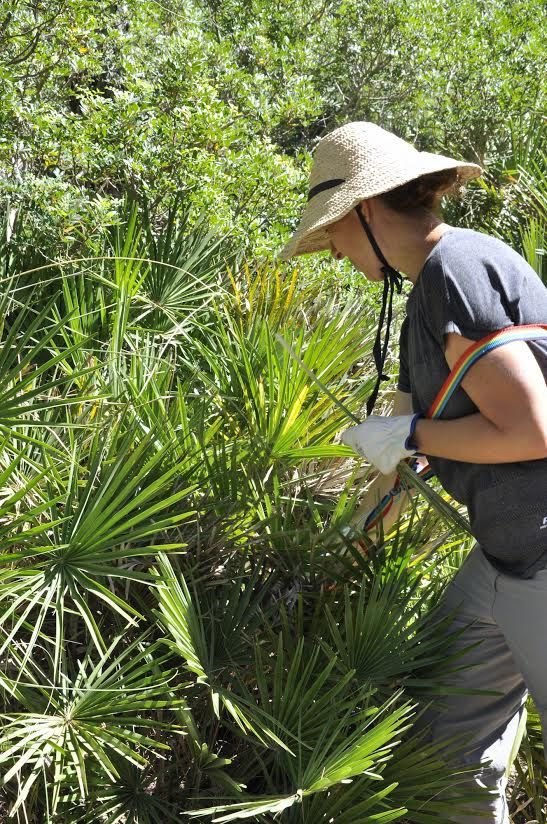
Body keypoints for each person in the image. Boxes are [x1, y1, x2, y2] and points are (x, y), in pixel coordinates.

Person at [278, 121, 547, 824]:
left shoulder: (457, 270)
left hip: (542, 559)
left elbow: (529, 429)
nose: (331, 249)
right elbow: (418, 448)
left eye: (332, 229)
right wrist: (347, 551)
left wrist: (410, 433)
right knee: (445, 739)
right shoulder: (430, 287)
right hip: (504, 556)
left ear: (365, 209)